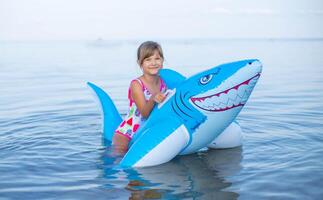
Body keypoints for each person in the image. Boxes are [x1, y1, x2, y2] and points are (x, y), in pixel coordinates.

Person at [112, 41, 168, 154]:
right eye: (148, 59)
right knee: (118, 160)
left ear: (162, 61)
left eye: (157, 58)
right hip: (128, 133)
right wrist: (152, 99)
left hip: (147, 130)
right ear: (140, 63)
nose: (153, 63)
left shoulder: (163, 83)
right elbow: (145, 114)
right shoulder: (136, 84)